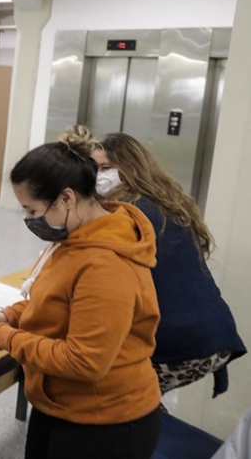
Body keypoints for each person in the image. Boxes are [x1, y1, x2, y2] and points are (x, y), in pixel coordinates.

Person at [0, 126, 162, 459]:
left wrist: (4, 337)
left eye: (32, 210)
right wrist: (10, 315)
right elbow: (50, 299)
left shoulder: (105, 265)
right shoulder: (73, 235)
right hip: (61, 404)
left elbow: (84, 361)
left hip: (106, 422)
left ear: (67, 198)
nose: (28, 220)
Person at [92, 131, 245, 396]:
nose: (97, 176)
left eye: (105, 168)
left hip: (182, 346)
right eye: (93, 168)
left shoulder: (127, 213)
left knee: (101, 391)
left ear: (129, 167)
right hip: (214, 334)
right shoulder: (164, 201)